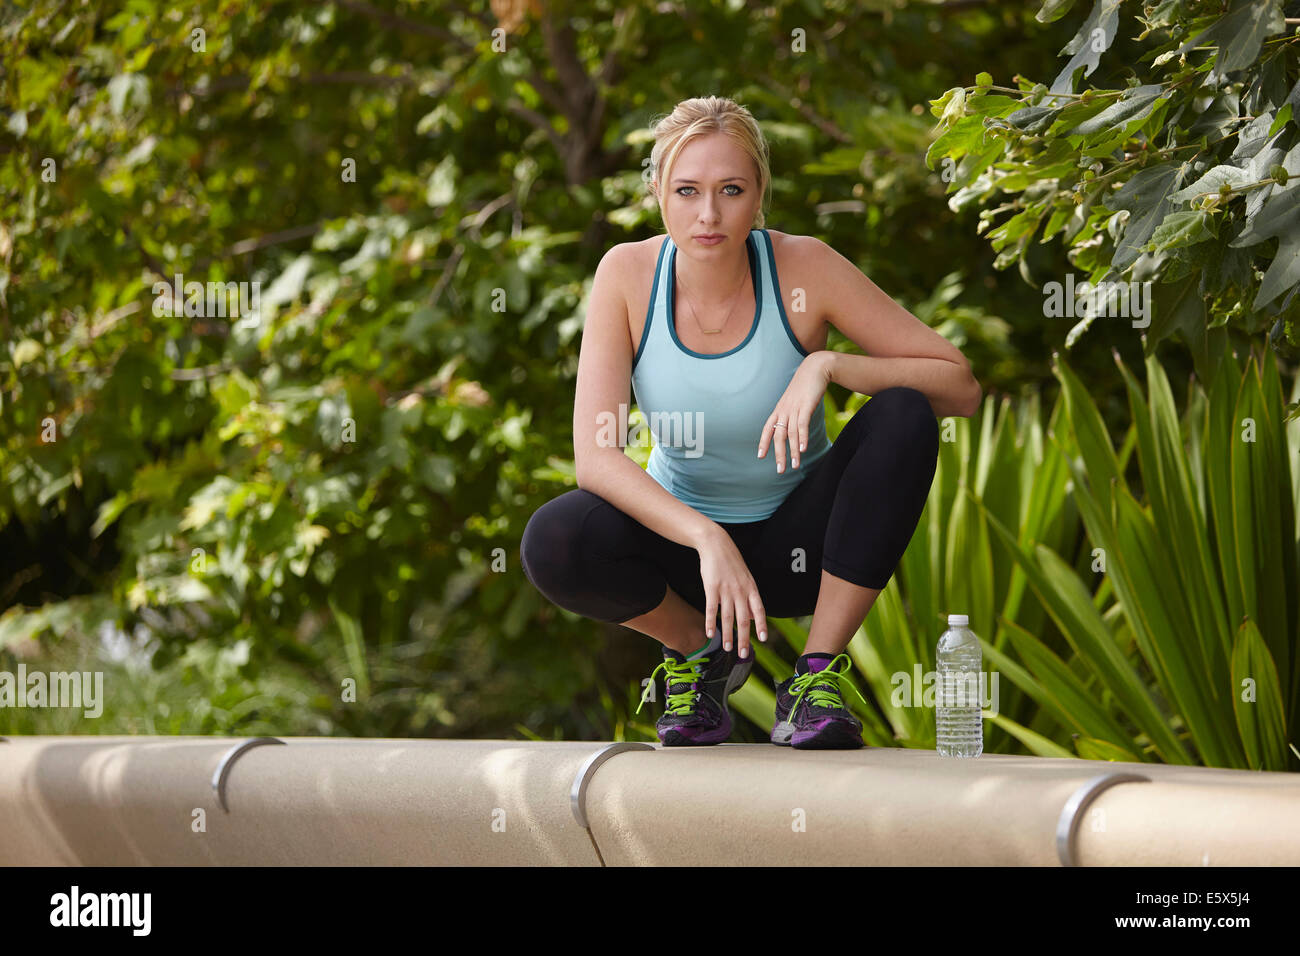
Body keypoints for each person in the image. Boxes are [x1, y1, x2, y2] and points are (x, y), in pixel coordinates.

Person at [521, 95, 980, 749]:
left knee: (904, 411)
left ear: (759, 192)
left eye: (731, 190)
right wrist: (706, 539)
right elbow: (596, 459)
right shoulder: (626, 275)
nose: (708, 214)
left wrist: (827, 365)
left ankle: (816, 676)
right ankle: (698, 654)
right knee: (556, 538)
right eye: (687, 191)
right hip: (695, 569)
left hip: (803, 552)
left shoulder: (805, 268)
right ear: (658, 192)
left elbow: (959, 386)